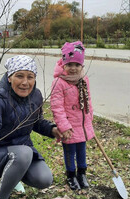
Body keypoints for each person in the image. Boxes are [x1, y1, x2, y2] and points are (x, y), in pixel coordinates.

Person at [0, 55, 62, 199]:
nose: (25, 82)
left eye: (30, 77)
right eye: (19, 76)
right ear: (9, 77)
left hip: (22, 151)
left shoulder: (36, 96)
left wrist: (52, 130)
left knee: (44, 179)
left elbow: (36, 122)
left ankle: (13, 177)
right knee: (24, 153)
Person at [50, 41, 95, 190]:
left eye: (77, 65)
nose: (73, 68)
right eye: (69, 65)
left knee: (82, 149)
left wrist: (89, 119)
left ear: (82, 65)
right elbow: (57, 107)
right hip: (68, 125)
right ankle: (71, 175)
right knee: (70, 152)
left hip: (82, 124)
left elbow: (88, 100)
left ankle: (82, 173)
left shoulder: (84, 80)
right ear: (64, 65)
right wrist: (63, 126)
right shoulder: (59, 82)